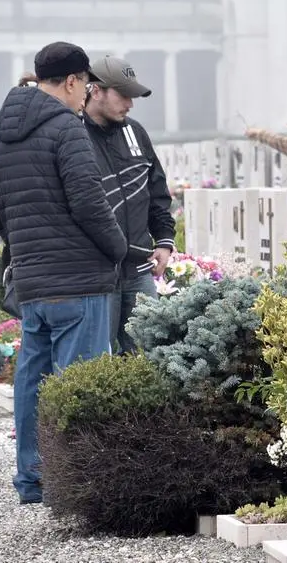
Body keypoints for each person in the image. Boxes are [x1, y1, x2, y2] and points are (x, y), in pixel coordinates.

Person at [0, 41, 127, 505]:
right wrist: (118, 248)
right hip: (79, 280)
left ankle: (33, 479)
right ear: (70, 81)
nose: (86, 94)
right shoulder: (67, 128)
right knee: (76, 386)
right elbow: (89, 202)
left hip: (32, 281)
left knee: (32, 383)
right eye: (86, 84)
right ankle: (73, 483)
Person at [82, 55, 176, 354]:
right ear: (96, 91)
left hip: (138, 268)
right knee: (99, 357)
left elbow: (156, 190)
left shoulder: (135, 132)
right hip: (96, 270)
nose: (130, 104)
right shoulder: (72, 135)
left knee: (148, 351)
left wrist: (164, 240)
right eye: (123, 95)